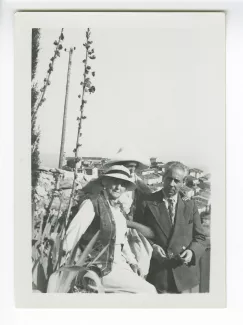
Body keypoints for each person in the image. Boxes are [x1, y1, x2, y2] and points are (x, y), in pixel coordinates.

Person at [63, 165, 157, 294]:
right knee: (149, 291)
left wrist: (133, 262)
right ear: (105, 182)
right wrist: (67, 268)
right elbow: (72, 235)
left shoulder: (119, 210)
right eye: (114, 182)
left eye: (123, 184)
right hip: (99, 268)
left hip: (120, 264)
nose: (118, 187)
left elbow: (121, 241)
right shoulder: (92, 204)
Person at [134, 161, 207, 293]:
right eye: (169, 179)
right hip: (158, 276)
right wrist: (152, 247)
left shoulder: (190, 206)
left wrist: (191, 252)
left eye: (176, 181)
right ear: (163, 178)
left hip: (184, 276)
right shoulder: (147, 203)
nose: (171, 184)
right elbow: (136, 233)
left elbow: (200, 237)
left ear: (183, 182)